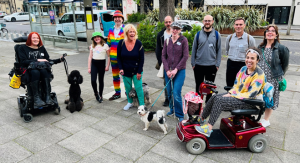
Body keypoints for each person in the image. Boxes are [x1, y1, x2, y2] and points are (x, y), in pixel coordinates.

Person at [195, 47, 266, 137]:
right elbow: (236, 86)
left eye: (252, 58)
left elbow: (251, 94)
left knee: (219, 101)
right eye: (247, 57)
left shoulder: (259, 74)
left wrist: (232, 95)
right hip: (238, 97)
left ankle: (208, 128)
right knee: (214, 96)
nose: (249, 60)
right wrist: (230, 93)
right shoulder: (243, 69)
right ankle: (201, 118)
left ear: (257, 60)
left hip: (250, 101)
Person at [18, 32, 65, 109]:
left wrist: (59, 60)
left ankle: (47, 96)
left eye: (37, 38)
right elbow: (22, 61)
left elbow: (47, 60)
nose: (36, 39)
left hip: (42, 70)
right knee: (35, 72)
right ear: (29, 39)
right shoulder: (22, 48)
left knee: (44, 71)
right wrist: (37, 60)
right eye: (33, 38)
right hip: (29, 70)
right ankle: (36, 99)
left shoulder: (41, 48)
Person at [257, 24, 289, 127]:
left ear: (276, 34)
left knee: (270, 99)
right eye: (267, 31)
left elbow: (285, 65)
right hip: (260, 78)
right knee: (260, 97)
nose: (270, 32)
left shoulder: (281, 48)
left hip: (273, 78)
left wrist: (278, 75)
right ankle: (260, 116)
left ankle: (266, 119)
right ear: (265, 34)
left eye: (272, 31)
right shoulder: (260, 47)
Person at [162, 22, 189, 122]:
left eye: (177, 29)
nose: (175, 30)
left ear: (180, 30)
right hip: (168, 71)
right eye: (173, 28)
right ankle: (171, 109)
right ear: (171, 28)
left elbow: (185, 56)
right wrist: (167, 70)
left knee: (176, 92)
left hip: (180, 71)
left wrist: (176, 69)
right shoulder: (167, 41)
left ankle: (179, 113)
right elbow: (163, 56)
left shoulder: (183, 40)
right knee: (169, 92)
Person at [191, 15, 221, 103]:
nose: (207, 22)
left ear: (212, 22)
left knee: (209, 89)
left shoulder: (216, 34)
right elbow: (193, 50)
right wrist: (193, 64)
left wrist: (217, 64)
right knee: (198, 87)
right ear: (203, 22)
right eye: (205, 20)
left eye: (209, 20)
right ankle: (197, 105)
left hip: (211, 66)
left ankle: (208, 106)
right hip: (199, 65)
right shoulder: (198, 34)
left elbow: (219, 51)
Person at [117, 24, 145, 110]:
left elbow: (141, 59)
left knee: (138, 88)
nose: (132, 33)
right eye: (130, 32)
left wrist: (139, 72)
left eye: (133, 32)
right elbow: (118, 57)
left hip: (137, 70)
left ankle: (142, 104)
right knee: (128, 88)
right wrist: (121, 68)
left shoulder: (139, 43)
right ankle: (130, 102)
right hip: (125, 71)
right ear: (126, 33)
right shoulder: (121, 43)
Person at [225, 17, 256, 87]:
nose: (238, 26)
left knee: (242, 86)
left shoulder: (249, 39)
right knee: (230, 85)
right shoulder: (229, 38)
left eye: (240, 24)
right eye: (236, 24)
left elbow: (254, 54)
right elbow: (227, 50)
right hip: (231, 64)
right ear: (234, 26)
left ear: (244, 25)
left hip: (243, 65)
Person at [107, 10, 125, 101]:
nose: (117, 19)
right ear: (114, 19)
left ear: (122, 19)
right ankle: (117, 93)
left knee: (125, 76)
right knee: (115, 77)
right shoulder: (111, 30)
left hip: (123, 59)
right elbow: (108, 44)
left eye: (119, 17)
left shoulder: (125, 29)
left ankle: (128, 92)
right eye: (115, 17)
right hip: (113, 58)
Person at [88, 32, 110, 103]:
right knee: (93, 80)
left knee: (101, 80)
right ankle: (96, 93)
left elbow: (109, 57)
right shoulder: (92, 46)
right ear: (93, 39)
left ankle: (100, 95)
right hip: (94, 64)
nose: (96, 38)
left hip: (101, 64)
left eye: (98, 37)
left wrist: (107, 66)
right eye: (95, 37)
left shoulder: (105, 46)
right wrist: (89, 67)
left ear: (101, 38)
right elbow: (90, 57)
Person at [155, 15, 173, 107]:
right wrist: (161, 61)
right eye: (166, 22)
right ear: (164, 23)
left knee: (175, 81)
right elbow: (158, 49)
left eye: (169, 22)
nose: (168, 24)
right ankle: (167, 99)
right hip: (164, 61)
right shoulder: (161, 34)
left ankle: (174, 98)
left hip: (175, 62)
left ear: (172, 22)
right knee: (166, 82)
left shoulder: (176, 33)